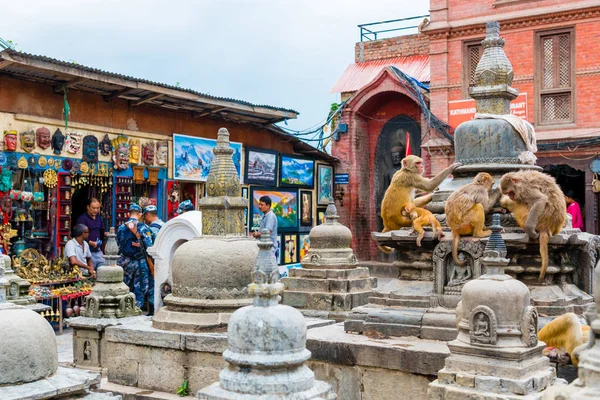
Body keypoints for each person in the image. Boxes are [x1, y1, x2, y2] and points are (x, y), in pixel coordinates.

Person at [116, 204, 154, 314]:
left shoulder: (121, 228)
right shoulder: (143, 227)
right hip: (139, 262)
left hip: (125, 261)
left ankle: (124, 308)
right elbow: (149, 246)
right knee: (140, 287)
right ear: (140, 214)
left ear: (128, 214)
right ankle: (137, 309)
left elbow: (118, 246)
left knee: (125, 286)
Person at [76, 197, 106, 270]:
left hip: (98, 251)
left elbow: (102, 232)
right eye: (93, 208)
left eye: (97, 208)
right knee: (88, 272)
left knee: (103, 270)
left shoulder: (99, 218)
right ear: (88, 207)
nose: (96, 210)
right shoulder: (82, 219)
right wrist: (90, 242)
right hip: (86, 251)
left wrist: (106, 234)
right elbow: (80, 235)